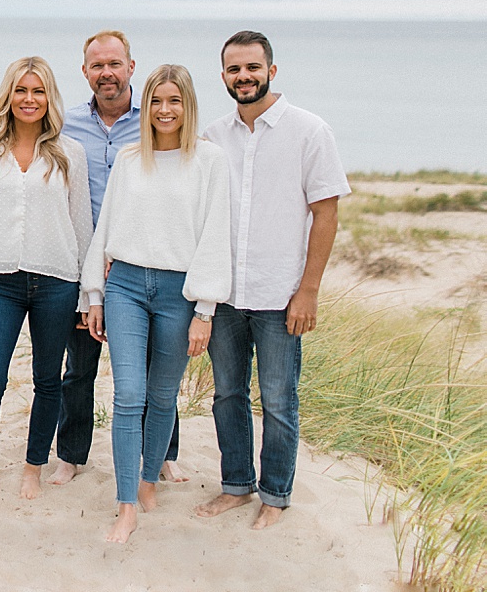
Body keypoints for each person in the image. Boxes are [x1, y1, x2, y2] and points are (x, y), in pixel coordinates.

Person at [195, 31, 349, 530]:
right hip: (223, 294)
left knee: (280, 399)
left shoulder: (310, 131)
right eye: (234, 70)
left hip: (281, 294)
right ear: (223, 77)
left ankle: (276, 494)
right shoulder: (213, 137)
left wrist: (308, 290)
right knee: (227, 395)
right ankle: (236, 485)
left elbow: (325, 214)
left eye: (253, 68)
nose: (244, 77)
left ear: (271, 71)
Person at [81, 64, 231, 543]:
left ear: (187, 106)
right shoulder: (129, 159)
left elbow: (215, 237)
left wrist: (204, 311)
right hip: (124, 285)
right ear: (148, 105)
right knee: (128, 396)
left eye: (175, 101)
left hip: (178, 294)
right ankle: (126, 504)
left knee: (163, 397)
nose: (166, 110)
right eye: (158, 101)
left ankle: (148, 480)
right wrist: (94, 294)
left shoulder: (210, 161)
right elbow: (105, 230)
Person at [52, 31, 185, 486]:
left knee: (154, 366)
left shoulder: (154, 122)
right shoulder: (65, 124)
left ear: (131, 66)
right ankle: (71, 454)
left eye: (114, 63)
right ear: (85, 71)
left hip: (141, 260)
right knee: (79, 366)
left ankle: (162, 454)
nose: (106, 73)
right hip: (81, 259)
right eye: (96, 65)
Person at [0, 57, 92, 499]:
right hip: (0, 284)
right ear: (9, 95)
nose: (29, 99)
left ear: (49, 97)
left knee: (48, 380)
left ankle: (33, 466)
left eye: (38, 91)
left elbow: (80, 225)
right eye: (21, 90)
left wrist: (85, 292)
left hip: (57, 281)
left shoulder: (69, 153)